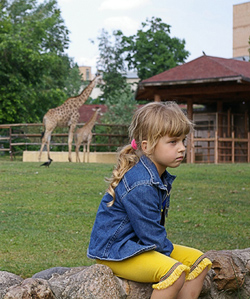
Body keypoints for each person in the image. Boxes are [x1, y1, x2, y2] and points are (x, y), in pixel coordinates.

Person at [87, 101, 211, 299]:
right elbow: (152, 237)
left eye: (183, 141)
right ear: (147, 146)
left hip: (138, 246)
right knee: (175, 272)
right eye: (173, 142)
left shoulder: (156, 175)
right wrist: (171, 259)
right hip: (116, 252)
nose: (182, 148)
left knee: (200, 261)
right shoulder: (141, 183)